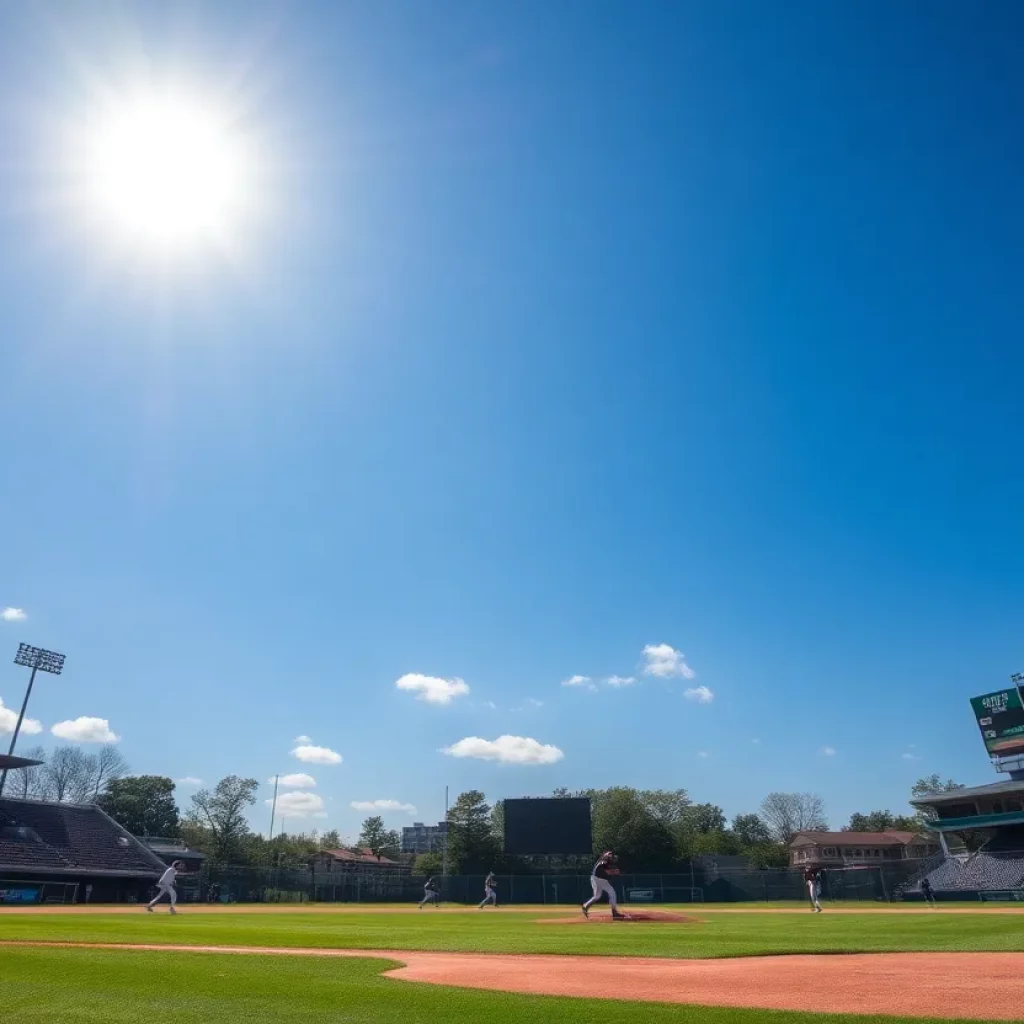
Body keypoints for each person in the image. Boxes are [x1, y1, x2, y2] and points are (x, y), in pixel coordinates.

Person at [582, 850, 625, 919]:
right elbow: (608, 872)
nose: (611, 856)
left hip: (595, 879)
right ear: (606, 856)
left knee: (597, 896)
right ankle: (614, 912)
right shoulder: (604, 862)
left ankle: (585, 906)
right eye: (609, 855)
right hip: (599, 880)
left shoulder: (605, 861)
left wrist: (616, 871)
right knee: (612, 893)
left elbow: (609, 871)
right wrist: (616, 872)